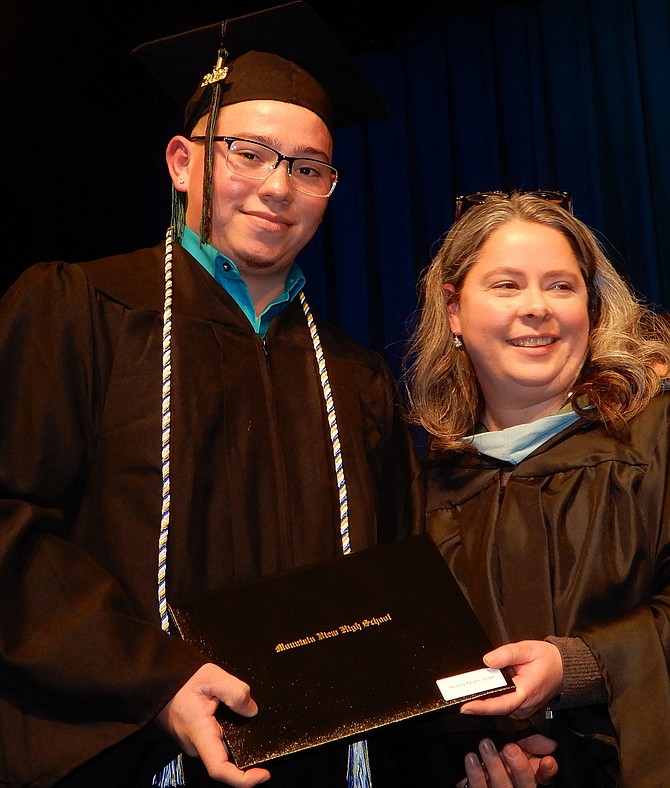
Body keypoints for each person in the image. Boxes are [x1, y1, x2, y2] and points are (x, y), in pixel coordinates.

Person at [0, 4, 554, 788]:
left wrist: (472, 751)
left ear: (329, 190)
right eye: (249, 153)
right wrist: (153, 678)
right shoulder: (78, 311)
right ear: (182, 162)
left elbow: (396, 599)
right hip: (127, 750)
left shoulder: (352, 379)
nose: (276, 187)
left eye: (307, 167)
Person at [403, 189, 670, 786]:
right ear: (453, 310)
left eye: (560, 285)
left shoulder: (655, 440)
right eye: (505, 285)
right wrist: (479, 757)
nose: (537, 308)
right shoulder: (427, 490)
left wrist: (577, 665)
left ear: (593, 309)